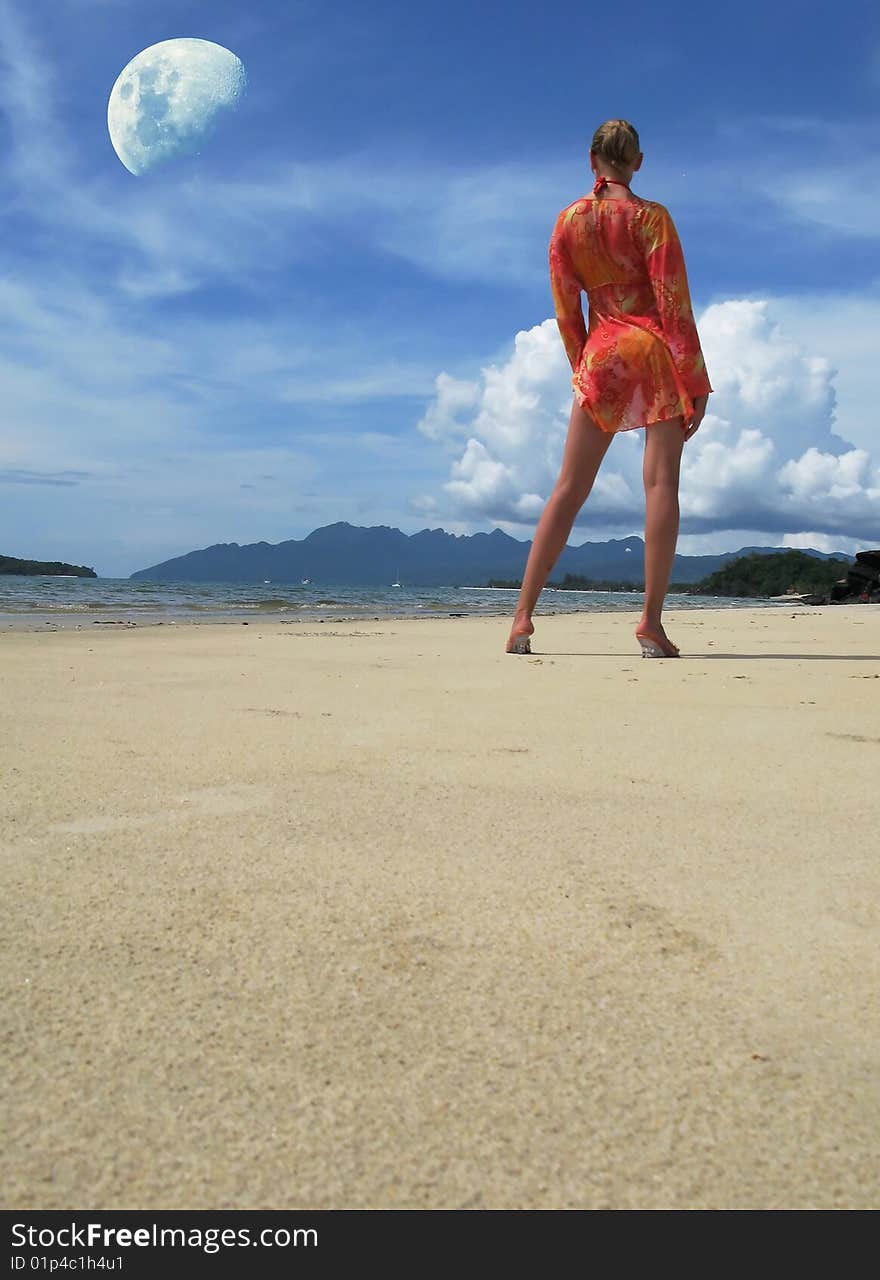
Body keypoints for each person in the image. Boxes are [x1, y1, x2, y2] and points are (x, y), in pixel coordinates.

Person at [505, 119, 712, 658]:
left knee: (568, 488)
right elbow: (673, 303)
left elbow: (565, 307)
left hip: (603, 354)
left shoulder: (569, 221)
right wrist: (696, 381)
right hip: (653, 351)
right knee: (661, 487)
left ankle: (522, 619)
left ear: (590, 160)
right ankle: (650, 623)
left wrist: (583, 365)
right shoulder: (651, 217)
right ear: (638, 162)